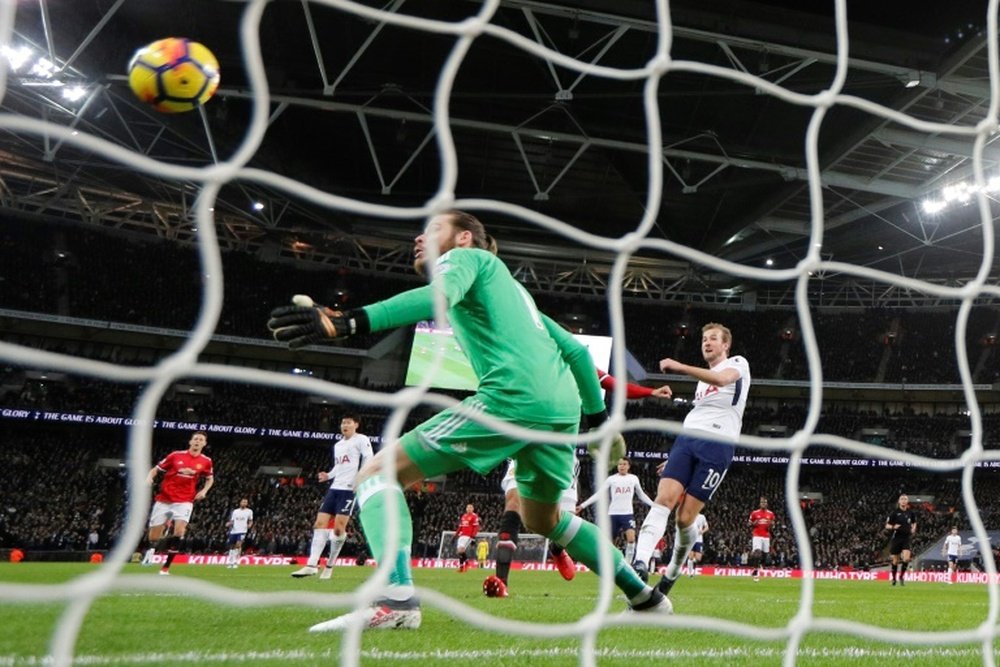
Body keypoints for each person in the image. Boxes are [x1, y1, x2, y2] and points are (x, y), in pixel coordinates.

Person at [268, 210, 671, 631]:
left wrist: (349, 320)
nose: (420, 239)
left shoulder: (467, 260)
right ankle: (646, 597)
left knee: (376, 473)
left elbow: (439, 297)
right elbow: (572, 349)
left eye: (433, 229)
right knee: (544, 520)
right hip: (560, 412)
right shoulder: (517, 294)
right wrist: (598, 423)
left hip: (513, 397)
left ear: (463, 238)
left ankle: (397, 597)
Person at [493, 372, 670, 593]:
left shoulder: (574, 359)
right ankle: (501, 582)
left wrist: (650, 391)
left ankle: (558, 551)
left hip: (562, 451)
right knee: (513, 503)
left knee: (558, 521)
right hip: (526, 442)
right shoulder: (525, 354)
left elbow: (612, 384)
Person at [630, 323, 751, 603]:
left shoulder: (738, 363)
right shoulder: (702, 382)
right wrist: (673, 457)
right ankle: (639, 564)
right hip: (686, 440)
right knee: (664, 498)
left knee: (685, 519)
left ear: (725, 345)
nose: (706, 343)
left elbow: (722, 380)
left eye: (712, 339)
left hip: (718, 445)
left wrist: (679, 366)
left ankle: (671, 573)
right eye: (704, 339)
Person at [291, 414, 374, 579]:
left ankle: (329, 565)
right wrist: (328, 475)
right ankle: (312, 565)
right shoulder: (338, 445)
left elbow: (369, 458)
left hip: (349, 489)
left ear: (356, 425)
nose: (345, 425)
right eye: (343, 422)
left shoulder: (361, 439)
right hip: (334, 488)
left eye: (348, 422)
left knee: (338, 530)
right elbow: (339, 465)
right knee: (319, 524)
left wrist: (361, 478)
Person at [142, 431, 214, 575]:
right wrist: (149, 478)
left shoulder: (206, 461)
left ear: (204, 444)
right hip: (164, 499)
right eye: (195, 439)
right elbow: (156, 469)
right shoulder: (175, 455)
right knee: (154, 537)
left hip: (185, 500)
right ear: (190, 442)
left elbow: (210, 478)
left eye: (201, 440)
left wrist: (204, 491)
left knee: (180, 531)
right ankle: (160, 536)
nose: (197, 441)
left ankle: (165, 568)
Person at [577, 457, 655, 565]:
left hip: (627, 514)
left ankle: (628, 564)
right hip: (613, 514)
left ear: (628, 466)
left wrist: (654, 505)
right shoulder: (611, 479)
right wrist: (583, 505)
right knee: (609, 543)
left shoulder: (633, 479)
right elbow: (599, 494)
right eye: (619, 464)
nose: (621, 466)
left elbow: (641, 495)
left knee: (631, 539)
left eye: (624, 464)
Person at [886, 494, 917, 586]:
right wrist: (892, 526)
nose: (903, 500)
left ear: (907, 501)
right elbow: (887, 525)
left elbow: (914, 522)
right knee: (895, 561)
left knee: (906, 558)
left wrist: (913, 528)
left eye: (905, 499)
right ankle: (894, 579)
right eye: (902, 499)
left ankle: (902, 576)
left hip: (906, 538)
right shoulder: (894, 513)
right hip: (897, 538)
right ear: (899, 501)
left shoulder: (910, 513)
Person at [748, 497, 775, 582]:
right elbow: (749, 524)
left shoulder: (770, 514)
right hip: (757, 535)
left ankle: (759, 565)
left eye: (765, 502)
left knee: (765, 554)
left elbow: (773, 526)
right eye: (762, 502)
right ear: (760, 504)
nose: (763, 504)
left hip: (766, 536)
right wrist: (753, 524)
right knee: (757, 553)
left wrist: (772, 525)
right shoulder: (754, 513)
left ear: (767, 504)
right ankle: (756, 573)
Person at [225, 498, 254, 569]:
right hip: (234, 531)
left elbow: (250, 520)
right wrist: (229, 524)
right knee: (231, 546)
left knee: (238, 545)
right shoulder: (235, 511)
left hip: (242, 531)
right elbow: (232, 521)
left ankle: (235, 562)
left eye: (246, 502)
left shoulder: (249, 511)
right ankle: (230, 562)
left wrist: (250, 525)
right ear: (240, 503)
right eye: (243, 502)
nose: (244, 503)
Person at [455, 503, 481, 572]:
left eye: (470, 507)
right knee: (459, 552)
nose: (469, 509)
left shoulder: (474, 516)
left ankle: (465, 564)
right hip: (461, 536)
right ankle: (462, 566)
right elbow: (460, 527)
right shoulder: (463, 516)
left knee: (461, 550)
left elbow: (476, 527)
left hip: (468, 536)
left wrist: (473, 537)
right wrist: (455, 535)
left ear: (473, 509)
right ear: (466, 509)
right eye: (468, 507)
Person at [686, 512, 709, 577]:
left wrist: (702, 531)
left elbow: (707, 527)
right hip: (691, 540)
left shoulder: (702, 517)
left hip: (699, 540)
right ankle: (690, 573)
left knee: (698, 558)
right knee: (690, 557)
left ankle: (691, 570)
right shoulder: (690, 516)